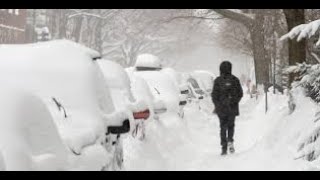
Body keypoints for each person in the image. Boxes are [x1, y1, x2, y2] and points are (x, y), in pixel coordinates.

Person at [211, 61, 243, 156]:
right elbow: (240, 93)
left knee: (223, 127)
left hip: (221, 109)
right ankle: (230, 140)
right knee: (231, 125)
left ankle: (224, 147)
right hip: (232, 108)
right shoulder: (235, 80)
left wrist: (217, 105)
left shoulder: (217, 81)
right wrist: (234, 101)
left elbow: (214, 95)